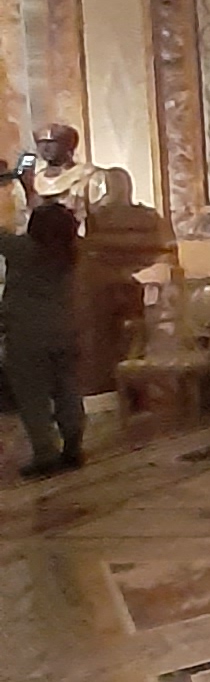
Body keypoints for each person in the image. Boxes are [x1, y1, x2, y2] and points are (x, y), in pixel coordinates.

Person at [0, 202, 84, 478]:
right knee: (68, 390)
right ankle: (73, 446)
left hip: (27, 334)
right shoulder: (71, 252)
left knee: (33, 397)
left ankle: (45, 453)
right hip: (65, 329)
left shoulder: (23, 249)